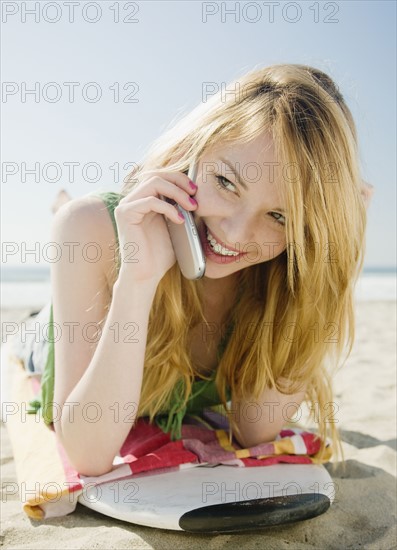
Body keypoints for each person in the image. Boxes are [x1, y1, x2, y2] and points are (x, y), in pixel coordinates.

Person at [16, 64, 373, 477]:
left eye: (279, 215)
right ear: (193, 147)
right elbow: (87, 455)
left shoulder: (277, 270)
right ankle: (62, 203)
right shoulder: (90, 229)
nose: (236, 233)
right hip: (49, 335)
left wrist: (328, 270)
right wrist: (136, 280)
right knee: (74, 221)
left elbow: (255, 429)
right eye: (225, 181)